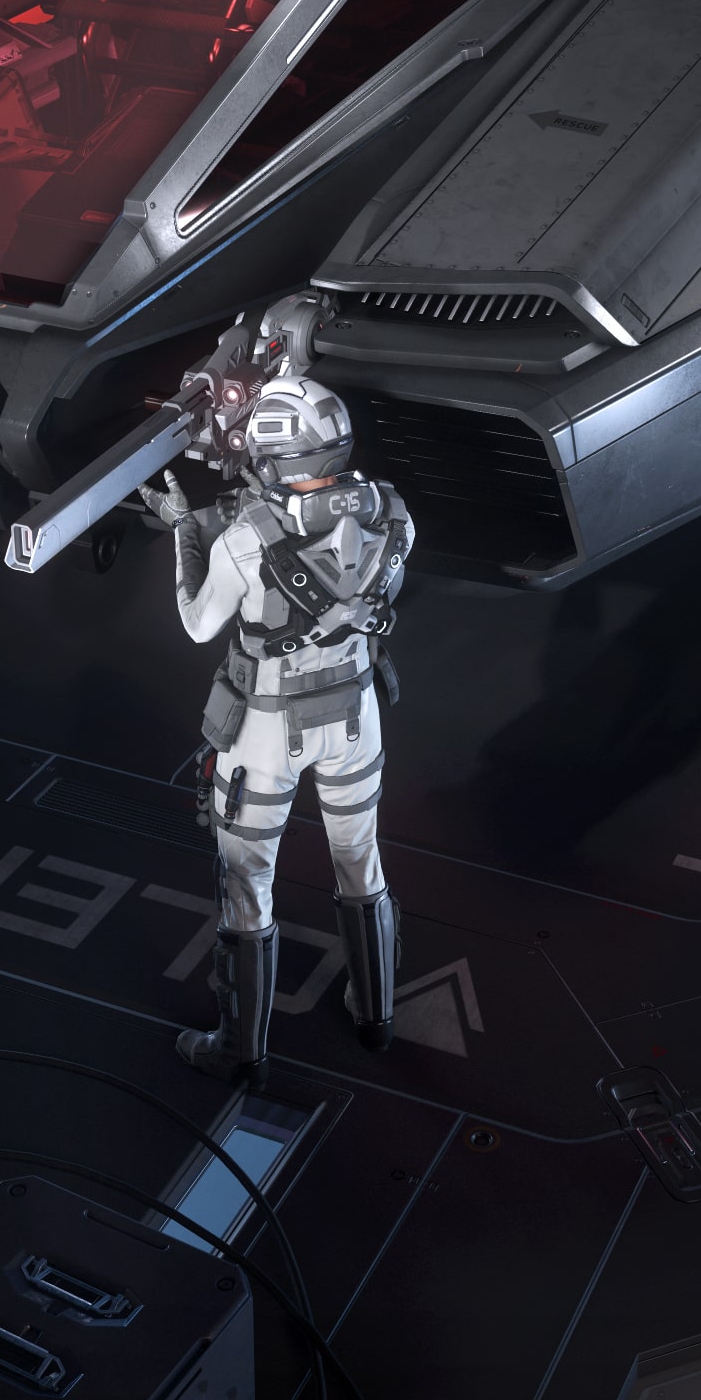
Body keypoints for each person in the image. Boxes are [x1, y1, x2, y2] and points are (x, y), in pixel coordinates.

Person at [147, 363, 414, 1081]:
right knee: (361, 861)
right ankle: (376, 1019)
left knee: (246, 883)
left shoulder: (244, 539)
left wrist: (185, 530)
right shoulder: (395, 513)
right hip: (356, 717)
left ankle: (242, 1053)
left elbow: (198, 623)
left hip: (267, 731)